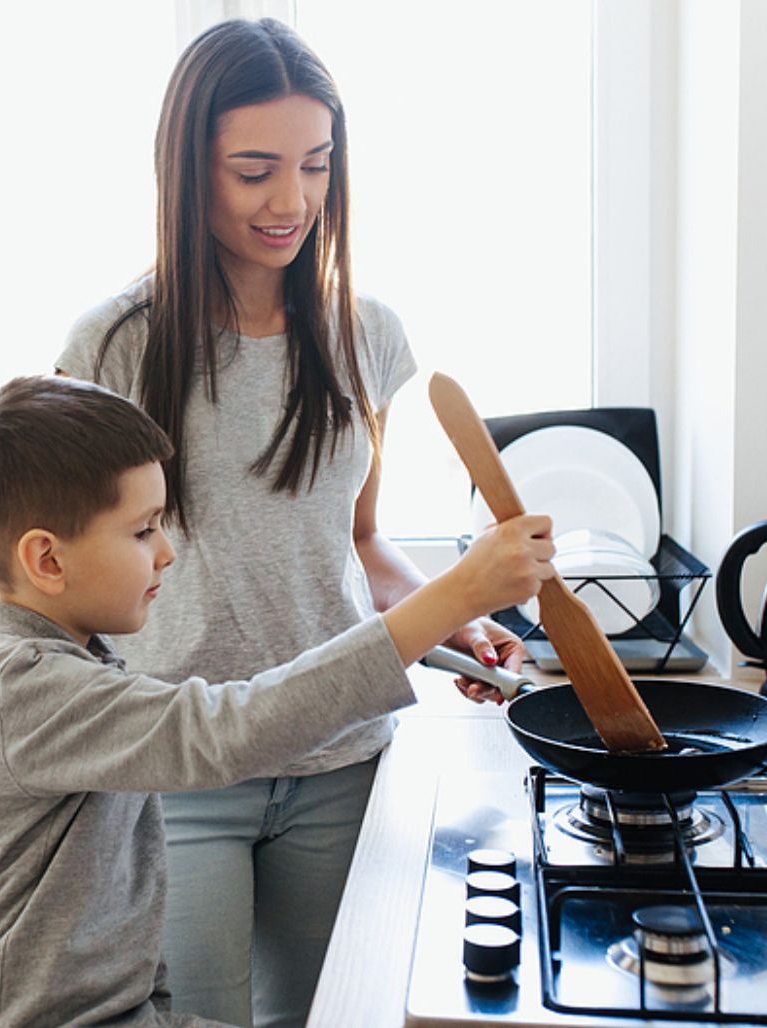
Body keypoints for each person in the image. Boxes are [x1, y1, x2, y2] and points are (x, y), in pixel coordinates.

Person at [54, 17, 533, 1027]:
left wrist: (456, 622)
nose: (292, 200)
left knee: (335, 1015)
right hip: (182, 764)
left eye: (316, 165)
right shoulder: (113, 345)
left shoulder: (367, 334)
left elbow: (355, 543)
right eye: (255, 169)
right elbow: (60, 580)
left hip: (342, 757)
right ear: (191, 169)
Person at [0, 375, 551, 1027]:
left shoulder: (69, 656)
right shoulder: (28, 685)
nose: (167, 552)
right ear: (47, 561)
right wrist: (454, 595)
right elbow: (230, 731)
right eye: (143, 532)